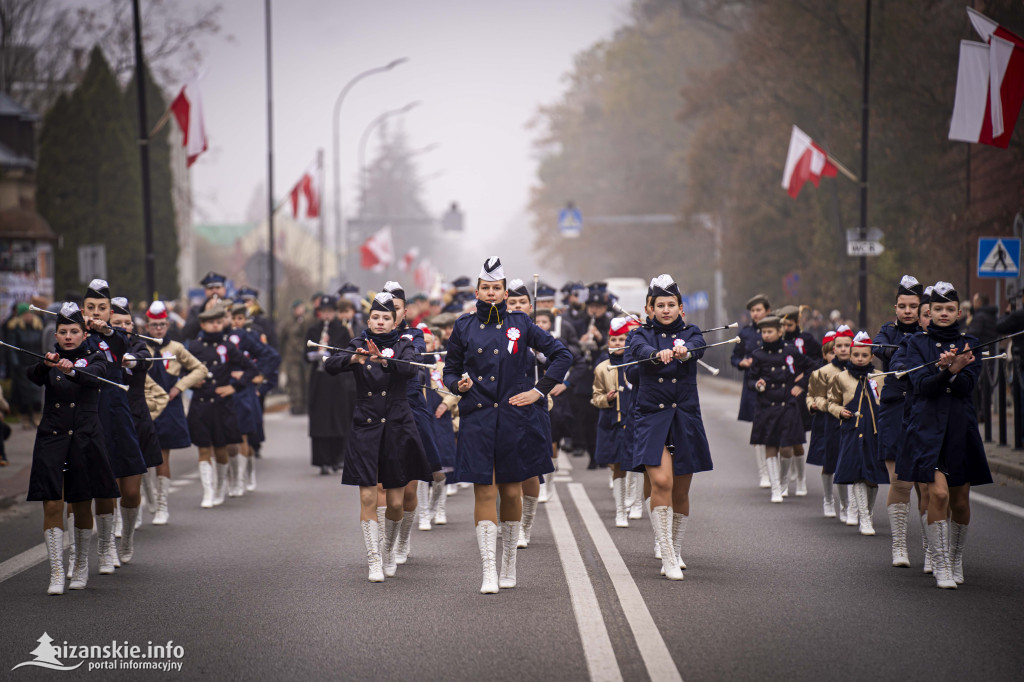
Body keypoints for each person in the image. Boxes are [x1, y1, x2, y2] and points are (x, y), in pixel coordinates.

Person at [443, 257, 572, 594]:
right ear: (477, 291)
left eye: (495, 288)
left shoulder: (522, 323)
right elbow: (450, 371)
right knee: (484, 490)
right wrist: (459, 386)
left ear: (503, 291)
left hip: (516, 418)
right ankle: (488, 570)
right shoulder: (463, 326)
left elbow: (562, 355)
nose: (490, 293)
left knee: (512, 491)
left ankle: (509, 564)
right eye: (485, 288)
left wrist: (538, 391)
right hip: (479, 417)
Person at [323, 292, 434, 582]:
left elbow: (410, 369)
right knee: (369, 496)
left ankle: (388, 547)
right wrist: (354, 360)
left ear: (395, 320)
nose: (381, 322)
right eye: (376, 317)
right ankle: (373, 560)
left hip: (398, 426)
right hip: (366, 426)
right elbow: (329, 365)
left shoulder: (404, 343)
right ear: (368, 319)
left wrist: (385, 361)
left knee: (396, 503)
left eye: (386, 317)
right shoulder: (357, 344)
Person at [899, 282, 992, 589]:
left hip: (959, 427)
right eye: (937, 309)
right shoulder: (916, 344)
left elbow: (967, 386)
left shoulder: (971, 343)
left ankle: (955, 558)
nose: (942, 314)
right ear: (930, 311)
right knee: (937, 494)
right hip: (928, 427)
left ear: (959, 313)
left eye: (949, 309)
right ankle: (940, 565)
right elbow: (921, 387)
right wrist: (946, 372)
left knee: (961, 500)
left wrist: (956, 369)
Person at [27, 303, 122, 595]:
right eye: (63, 332)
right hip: (52, 437)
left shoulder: (96, 357)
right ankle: (56, 571)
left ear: (84, 334)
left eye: (74, 331)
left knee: (81, 502)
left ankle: (80, 564)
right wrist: (47, 364)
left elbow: (94, 376)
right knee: (53, 502)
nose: (68, 336)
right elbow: (32, 375)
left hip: (84, 437)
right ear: (56, 334)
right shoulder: (50, 360)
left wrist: (72, 371)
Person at [628, 275, 713, 580]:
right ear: (650, 308)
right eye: (659, 305)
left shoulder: (691, 332)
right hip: (652, 417)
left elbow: (698, 346)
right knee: (661, 482)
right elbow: (636, 353)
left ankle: (676, 548)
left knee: (680, 489)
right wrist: (655, 355)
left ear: (681, 308)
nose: (665, 310)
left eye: (671, 305)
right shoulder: (640, 334)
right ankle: (666, 555)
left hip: (685, 417)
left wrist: (684, 351)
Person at [185, 305, 261, 508]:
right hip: (200, 404)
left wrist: (234, 387)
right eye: (211, 322)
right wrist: (190, 381)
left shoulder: (228, 347)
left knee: (221, 449)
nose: (215, 325)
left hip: (222, 405)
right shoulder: (194, 347)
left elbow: (251, 369)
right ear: (202, 324)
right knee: (203, 449)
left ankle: (219, 487)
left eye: (219, 322)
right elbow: (180, 370)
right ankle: (208, 492)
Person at [109, 297, 167, 557]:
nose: (123, 327)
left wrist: (129, 359)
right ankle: (108, 541)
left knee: (130, 492)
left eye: (127, 323)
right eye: (117, 323)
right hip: (105, 421)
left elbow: (142, 361)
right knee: (107, 487)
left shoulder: (139, 346)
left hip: (134, 420)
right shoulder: (96, 347)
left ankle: (128, 537)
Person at [872, 276, 923, 565]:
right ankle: (899, 545)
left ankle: (933, 549)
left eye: (913, 306)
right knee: (899, 479)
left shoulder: (930, 332)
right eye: (902, 306)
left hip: (923, 407)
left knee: (925, 484)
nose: (907, 311)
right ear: (895, 308)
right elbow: (877, 348)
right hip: (893, 408)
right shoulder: (888, 331)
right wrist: (905, 349)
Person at [144, 301, 207, 525]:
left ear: (168, 324)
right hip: (144, 408)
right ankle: (148, 496)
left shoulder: (177, 348)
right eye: (154, 325)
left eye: (162, 324)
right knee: (140, 459)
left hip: (169, 408)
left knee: (162, 457)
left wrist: (180, 386)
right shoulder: (140, 348)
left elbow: (201, 369)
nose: (158, 329)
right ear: (147, 326)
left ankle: (162, 506)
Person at [747, 314, 815, 504]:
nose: (766, 335)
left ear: (780, 331)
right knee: (770, 446)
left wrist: (801, 384)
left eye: (770, 332)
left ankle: (784, 482)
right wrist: (757, 384)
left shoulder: (790, 351)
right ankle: (776, 488)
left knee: (786, 448)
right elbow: (751, 380)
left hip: (788, 405)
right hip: (767, 405)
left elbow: (811, 366)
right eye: (764, 332)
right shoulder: (757, 354)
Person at [827, 332, 889, 536]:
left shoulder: (880, 377)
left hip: (875, 433)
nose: (860, 359)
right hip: (852, 432)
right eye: (856, 355)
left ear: (872, 357)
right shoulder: (841, 378)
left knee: (872, 476)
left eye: (864, 355)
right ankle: (864, 517)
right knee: (858, 475)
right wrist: (839, 411)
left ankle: (868, 513)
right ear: (850, 355)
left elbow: (887, 403)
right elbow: (831, 402)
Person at [593, 316, 640, 527]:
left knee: (638, 464)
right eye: (614, 340)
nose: (618, 344)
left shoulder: (637, 365)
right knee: (618, 466)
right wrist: (607, 399)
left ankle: (636, 502)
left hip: (635, 422)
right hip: (612, 422)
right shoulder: (602, 368)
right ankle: (620, 510)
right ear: (608, 342)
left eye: (622, 340)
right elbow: (595, 397)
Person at [305, 296, 356, 475]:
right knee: (320, 420)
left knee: (337, 418)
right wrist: (316, 352)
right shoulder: (313, 330)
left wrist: (329, 349)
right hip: (319, 380)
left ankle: (337, 458)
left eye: (329, 311)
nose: (326, 315)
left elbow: (344, 352)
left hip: (336, 381)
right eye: (323, 311)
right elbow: (306, 355)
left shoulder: (341, 330)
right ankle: (322, 460)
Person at [778, 304, 822, 496]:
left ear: (796, 322)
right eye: (782, 325)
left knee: (798, 436)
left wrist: (803, 377)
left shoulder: (807, 340)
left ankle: (800, 476)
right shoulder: (777, 343)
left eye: (789, 324)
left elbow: (817, 361)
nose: (785, 328)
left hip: (800, 394)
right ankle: (786, 477)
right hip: (782, 394)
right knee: (785, 436)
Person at [732, 294, 771, 488]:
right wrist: (742, 362)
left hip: (776, 385)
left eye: (759, 310)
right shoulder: (745, 333)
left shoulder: (776, 330)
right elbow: (734, 357)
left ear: (767, 311)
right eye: (753, 311)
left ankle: (777, 470)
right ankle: (764, 473)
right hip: (753, 386)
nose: (755, 314)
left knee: (778, 429)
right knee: (759, 429)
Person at [805, 331, 837, 516]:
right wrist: (813, 404)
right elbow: (810, 394)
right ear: (824, 355)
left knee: (846, 462)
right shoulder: (818, 373)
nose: (835, 355)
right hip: (824, 421)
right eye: (830, 352)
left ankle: (849, 504)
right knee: (827, 462)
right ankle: (828, 499)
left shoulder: (850, 370)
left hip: (844, 421)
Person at [4, 302, 44, 427]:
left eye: (30, 313)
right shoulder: (15, 329)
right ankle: (25, 417)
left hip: (36, 365)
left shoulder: (38, 327)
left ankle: (37, 416)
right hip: (22, 367)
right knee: (24, 395)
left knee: (37, 393)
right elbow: (12, 348)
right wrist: (16, 365)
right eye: (25, 314)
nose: (28, 316)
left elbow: (41, 346)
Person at [278, 300, 310, 415]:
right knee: (294, 382)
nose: (299, 311)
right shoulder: (287, 323)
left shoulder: (307, 321)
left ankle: (306, 404)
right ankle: (296, 405)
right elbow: (281, 339)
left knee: (306, 381)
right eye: (297, 309)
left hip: (305, 356)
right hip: (292, 356)